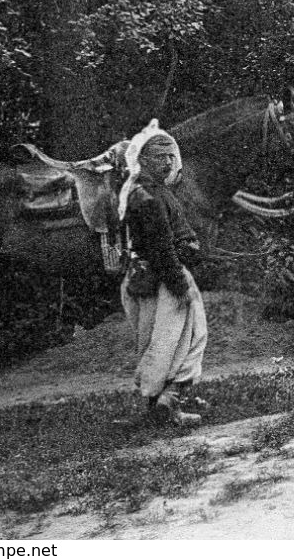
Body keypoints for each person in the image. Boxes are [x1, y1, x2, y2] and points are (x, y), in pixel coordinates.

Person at [118, 122, 207, 427]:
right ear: (142, 159)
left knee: (157, 343)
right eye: (160, 157)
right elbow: (161, 247)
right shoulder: (147, 197)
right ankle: (170, 402)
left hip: (146, 277)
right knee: (189, 339)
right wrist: (180, 284)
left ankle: (158, 405)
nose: (168, 162)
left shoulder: (148, 190)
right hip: (164, 279)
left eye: (171, 156)